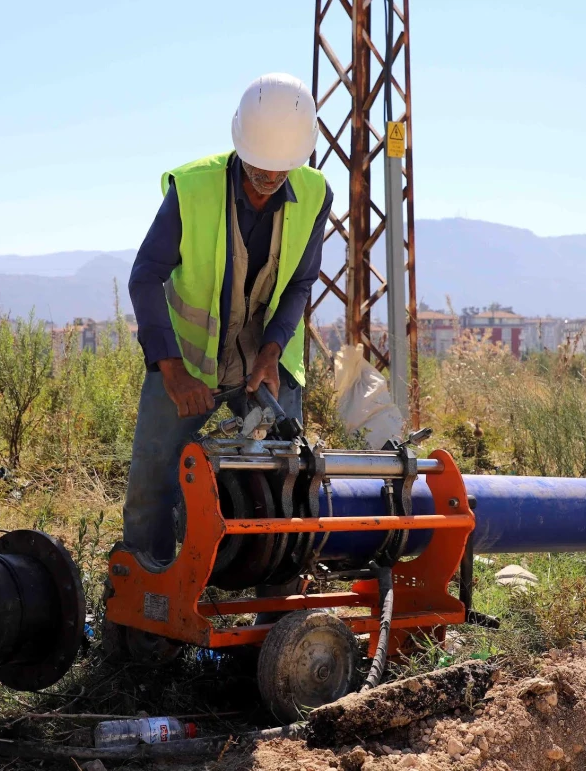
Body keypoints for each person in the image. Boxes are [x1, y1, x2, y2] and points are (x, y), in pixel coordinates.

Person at [125, 72, 333, 565]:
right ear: (240, 144)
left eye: (280, 169)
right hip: (187, 361)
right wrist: (172, 372)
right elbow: (144, 277)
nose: (268, 179)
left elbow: (301, 282)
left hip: (264, 362)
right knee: (151, 485)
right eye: (259, 167)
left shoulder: (315, 193)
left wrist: (270, 354)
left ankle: (272, 611)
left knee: (287, 483)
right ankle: (146, 610)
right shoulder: (192, 190)